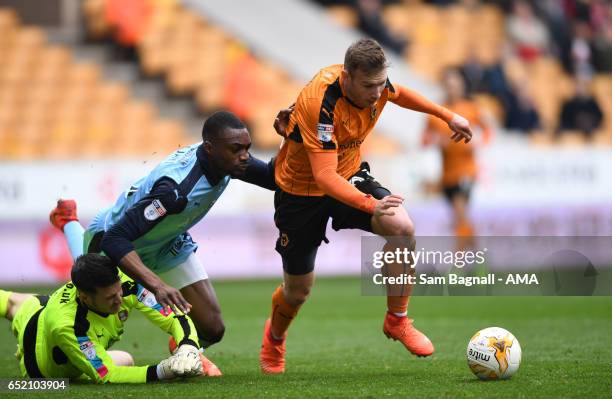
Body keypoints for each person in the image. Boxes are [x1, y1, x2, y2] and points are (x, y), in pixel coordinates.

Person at [259, 38, 473, 374]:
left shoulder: (377, 84)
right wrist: (369, 205)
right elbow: (324, 177)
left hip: (349, 173)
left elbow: (398, 93)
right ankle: (274, 337)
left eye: (379, 83)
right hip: (302, 191)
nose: (377, 93)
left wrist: (446, 116)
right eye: (369, 86)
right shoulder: (321, 102)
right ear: (347, 77)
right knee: (298, 291)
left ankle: (397, 319)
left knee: (402, 227)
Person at [50, 110, 285, 375]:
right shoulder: (175, 191)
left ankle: (184, 347)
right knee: (84, 275)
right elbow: (117, 238)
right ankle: (68, 220)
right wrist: (157, 285)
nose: (244, 156)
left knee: (212, 328)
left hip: (166, 241)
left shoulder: (226, 159)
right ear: (210, 148)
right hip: (113, 239)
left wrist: (291, 139)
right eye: (236, 149)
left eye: (247, 148)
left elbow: (274, 178)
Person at [0, 253, 203, 383]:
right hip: (43, 370)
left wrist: (188, 345)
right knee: (12, 306)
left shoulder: (123, 284)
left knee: (127, 360)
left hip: (40, 307)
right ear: (85, 297)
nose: (119, 299)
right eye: (110, 297)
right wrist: (163, 371)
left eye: (118, 292)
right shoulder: (68, 326)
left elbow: (173, 316)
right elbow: (108, 374)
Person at [422, 67, 492, 247]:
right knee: (459, 218)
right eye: (448, 85)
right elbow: (424, 140)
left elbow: (487, 131)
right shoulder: (436, 112)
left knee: (460, 213)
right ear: (444, 86)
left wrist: (479, 143)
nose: (452, 88)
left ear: (462, 86)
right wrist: (434, 140)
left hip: (467, 171)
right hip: (447, 173)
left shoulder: (471, 109)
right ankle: (478, 257)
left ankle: (458, 264)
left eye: (455, 84)